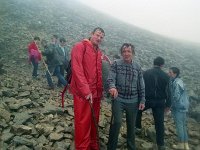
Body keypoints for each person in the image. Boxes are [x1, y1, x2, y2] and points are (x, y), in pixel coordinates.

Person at [70, 27, 105, 150]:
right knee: (83, 122)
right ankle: (82, 147)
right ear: (91, 34)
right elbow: (77, 69)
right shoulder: (80, 46)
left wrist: (100, 92)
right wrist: (86, 90)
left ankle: (92, 144)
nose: (99, 38)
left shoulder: (99, 52)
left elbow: (98, 73)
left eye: (101, 37)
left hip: (96, 94)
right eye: (97, 35)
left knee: (93, 121)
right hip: (83, 93)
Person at [107, 43, 145, 150]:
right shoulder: (116, 64)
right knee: (117, 122)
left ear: (133, 53)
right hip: (118, 99)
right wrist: (112, 87)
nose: (126, 53)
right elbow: (111, 79)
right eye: (124, 51)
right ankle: (111, 147)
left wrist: (142, 100)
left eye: (129, 51)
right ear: (121, 53)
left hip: (133, 101)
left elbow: (141, 84)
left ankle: (131, 147)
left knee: (131, 126)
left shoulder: (137, 67)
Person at [135, 56, 170, 150]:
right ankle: (161, 144)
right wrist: (168, 105)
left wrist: (138, 98)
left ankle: (137, 128)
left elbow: (140, 86)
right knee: (159, 123)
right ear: (162, 65)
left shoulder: (146, 73)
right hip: (160, 102)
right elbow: (169, 91)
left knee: (137, 111)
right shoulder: (166, 76)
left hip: (147, 99)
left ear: (153, 63)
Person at [168, 67, 190, 150]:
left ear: (175, 74)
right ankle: (186, 145)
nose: (168, 74)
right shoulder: (180, 81)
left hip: (178, 107)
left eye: (170, 72)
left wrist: (170, 106)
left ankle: (181, 145)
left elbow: (176, 97)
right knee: (183, 126)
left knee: (179, 126)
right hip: (184, 106)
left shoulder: (176, 83)